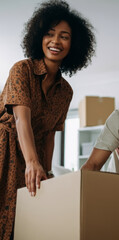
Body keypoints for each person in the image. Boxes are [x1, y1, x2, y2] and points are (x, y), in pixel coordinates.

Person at [0, 0, 96, 239]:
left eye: (64, 36)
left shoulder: (66, 91)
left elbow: (50, 133)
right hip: (4, 151)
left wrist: (49, 171)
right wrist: (33, 163)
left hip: (32, 158)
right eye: (49, 34)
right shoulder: (21, 69)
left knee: (22, 225)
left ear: (73, 44)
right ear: (39, 37)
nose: (55, 41)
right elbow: (21, 119)